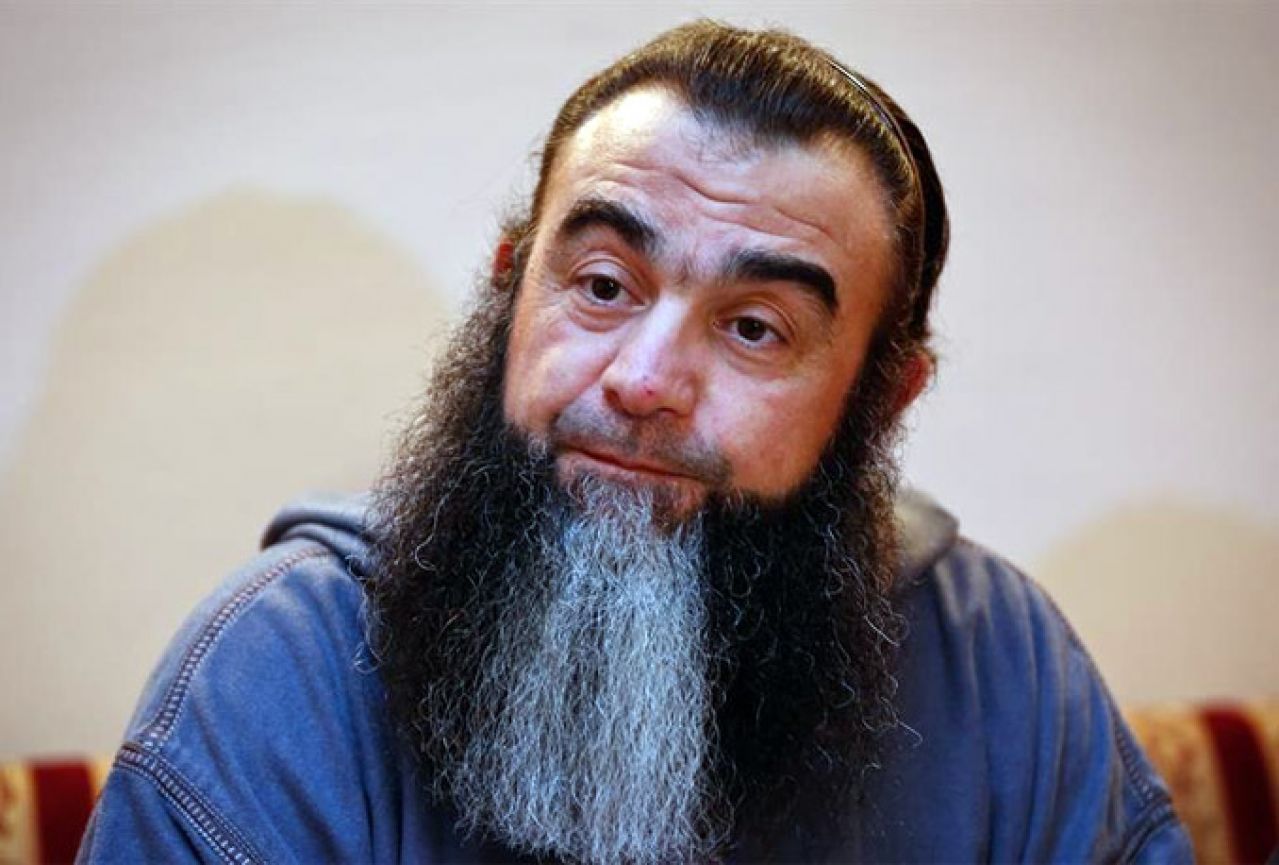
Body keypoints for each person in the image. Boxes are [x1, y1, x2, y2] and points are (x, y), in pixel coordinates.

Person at [78, 21, 1192, 864]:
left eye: (754, 327)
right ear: (511, 291)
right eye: (604, 284)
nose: (645, 380)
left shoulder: (996, 664)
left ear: (883, 398)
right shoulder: (283, 675)